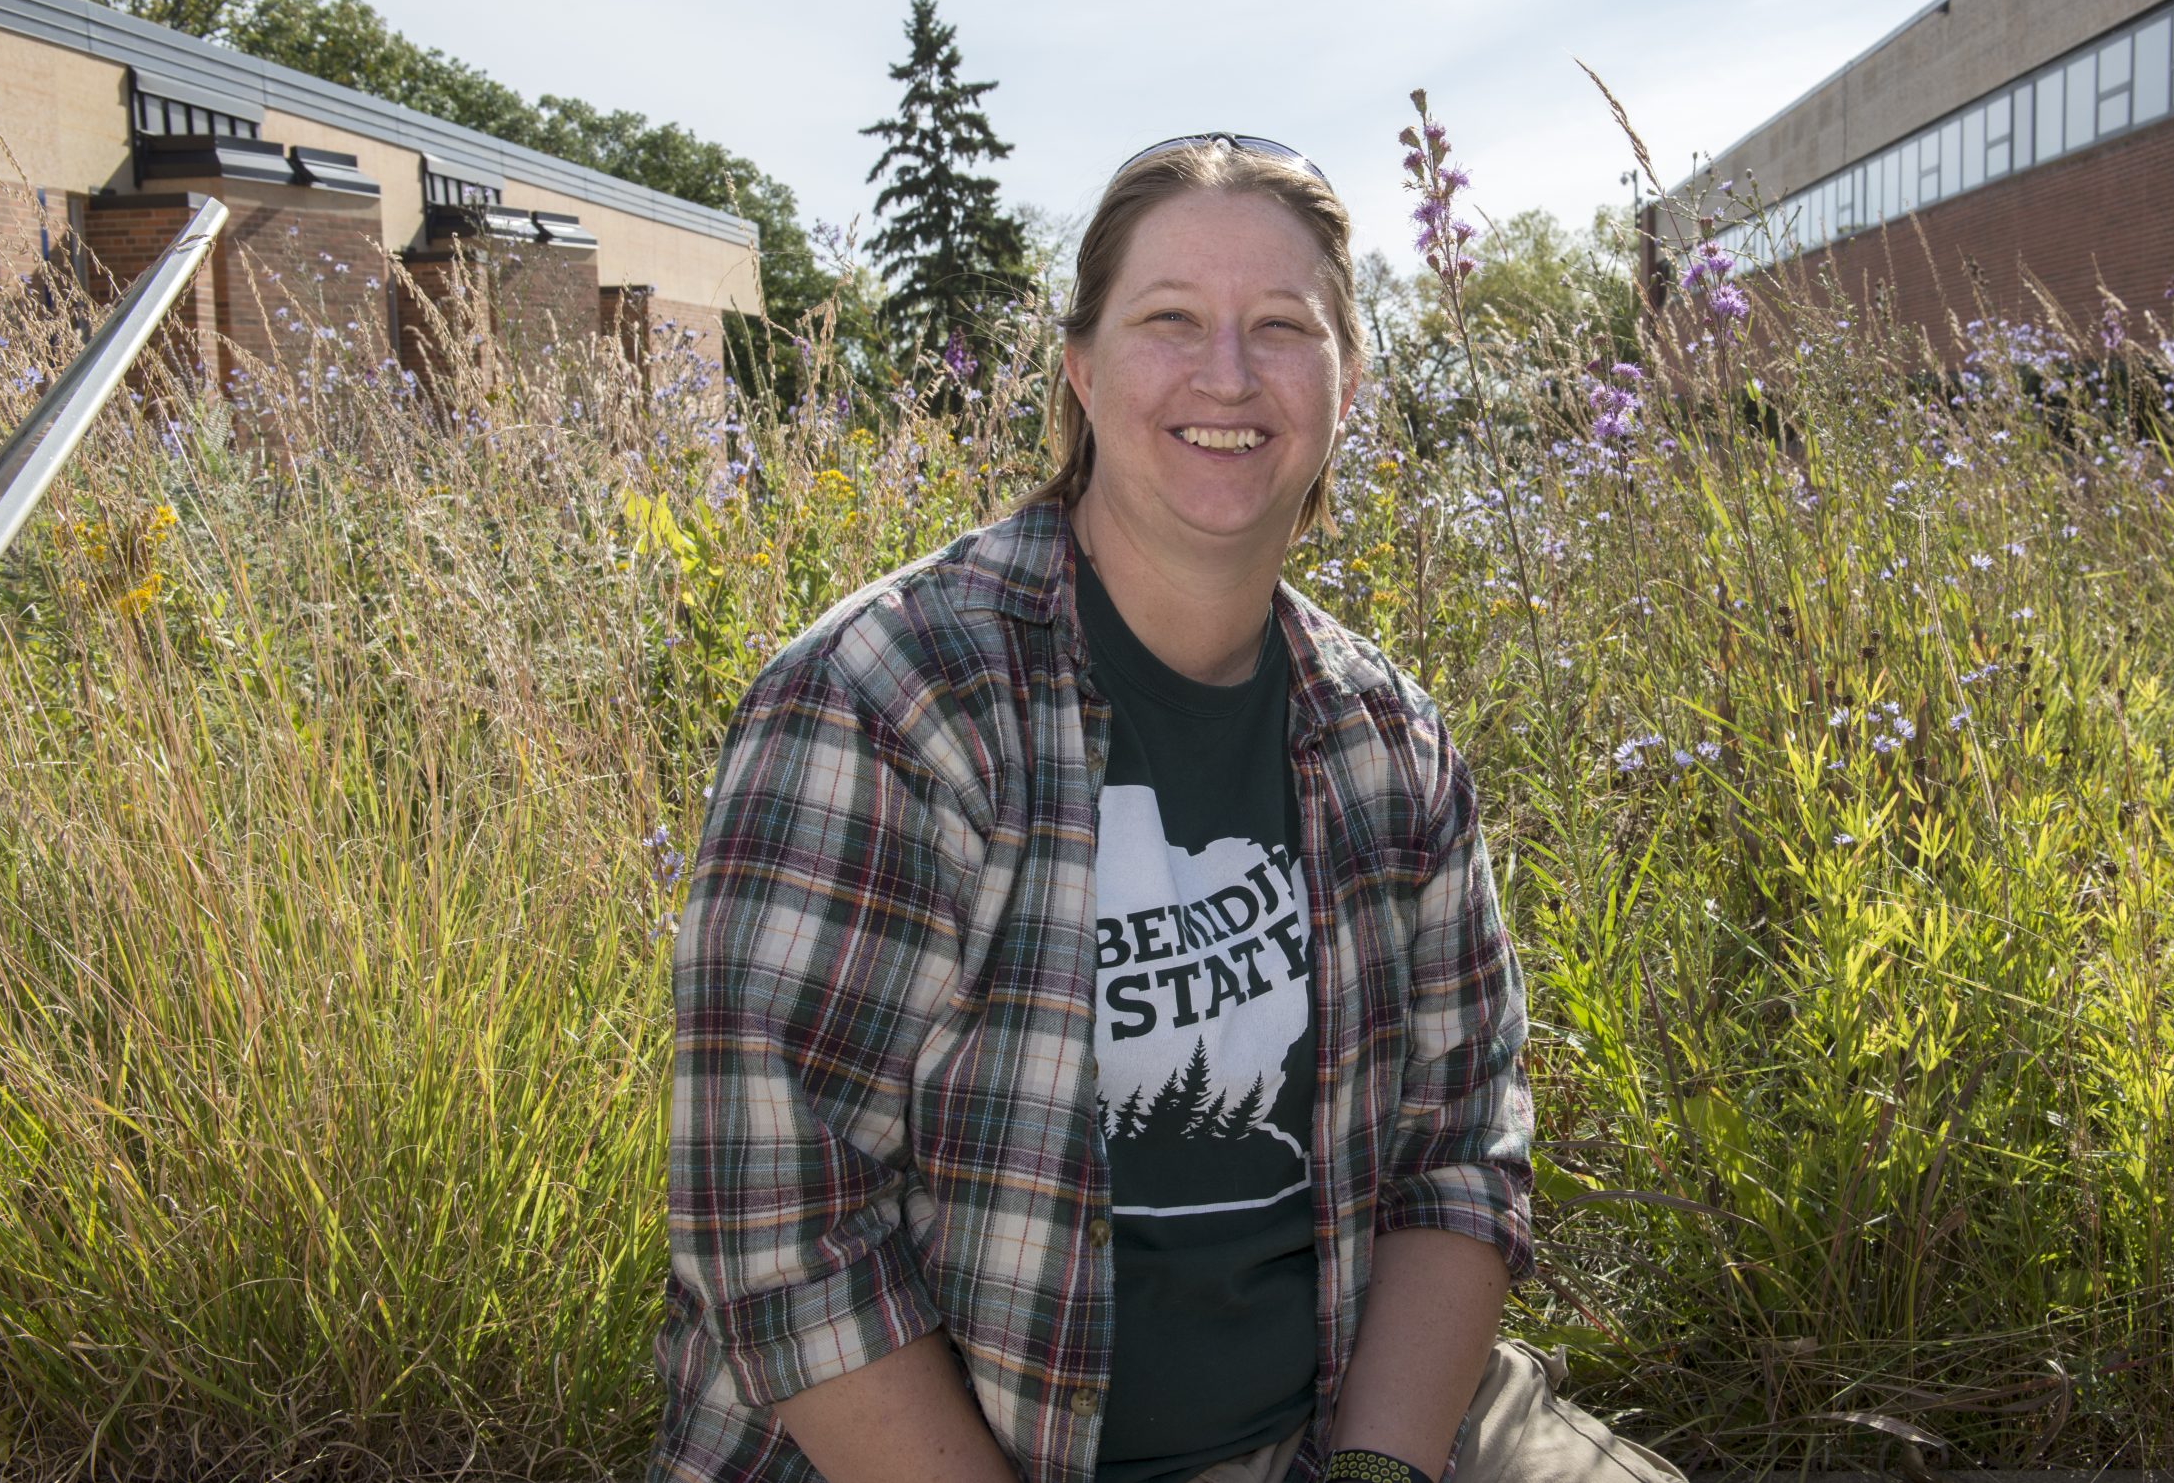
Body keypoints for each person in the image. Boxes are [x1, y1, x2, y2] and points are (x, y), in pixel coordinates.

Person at [648, 135, 1681, 1483]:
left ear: (1347, 383)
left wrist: (1378, 1467)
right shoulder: (893, 699)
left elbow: (1459, 1153)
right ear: (1080, 369)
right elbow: (779, 1224)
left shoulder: (1386, 739)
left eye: (1282, 329)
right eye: (1171, 321)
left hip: (1342, 1425)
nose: (1228, 374)